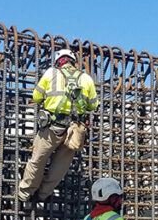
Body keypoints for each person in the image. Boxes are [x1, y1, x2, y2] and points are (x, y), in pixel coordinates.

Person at [17, 49, 98, 203]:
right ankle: (42, 195)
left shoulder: (51, 73)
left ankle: (25, 194)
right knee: (60, 168)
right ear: (73, 62)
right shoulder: (86, 79)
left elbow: (36, 96)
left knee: (37, 161)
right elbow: (93, 105)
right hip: (75, 132)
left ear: (58, 61)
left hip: (52, 128)